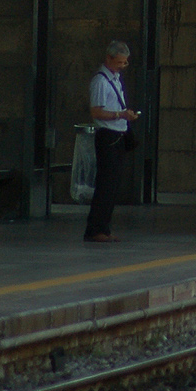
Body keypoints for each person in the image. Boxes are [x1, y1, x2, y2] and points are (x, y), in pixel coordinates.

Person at [85, 40, 139, 243]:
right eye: (119, 62)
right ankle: (95, 229)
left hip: (118, 134)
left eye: (125, 63)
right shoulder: (100, 82)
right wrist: (120, 114)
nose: (122, 67)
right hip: (107, 135)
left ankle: (104, 227)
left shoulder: (115, 79)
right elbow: (96, 111)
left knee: (113, 185)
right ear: (108, 58)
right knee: (105, 185)